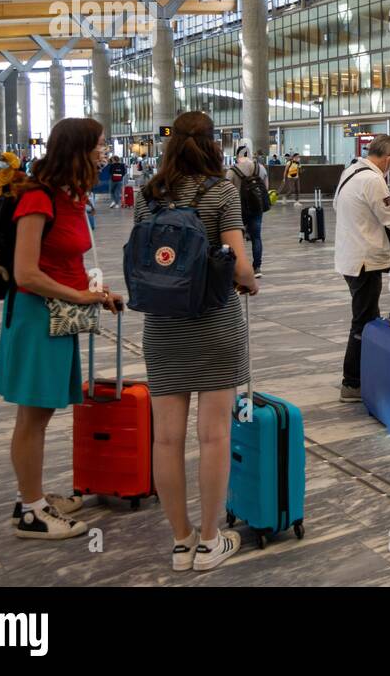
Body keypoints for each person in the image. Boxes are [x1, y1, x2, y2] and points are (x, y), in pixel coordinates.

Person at [134, 111, 258, 573]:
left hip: (162, 326)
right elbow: (239, 265)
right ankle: (210, 541)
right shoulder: (220, 191)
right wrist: (251, 282)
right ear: (212, 144)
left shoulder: (150, 195)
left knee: (165, 439)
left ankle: (181, 540)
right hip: (213, 323)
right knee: (214, 435)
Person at [0, 118, 122, 541]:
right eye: (99, 145)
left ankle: (33, 496)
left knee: (40, 414)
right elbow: (25, 273)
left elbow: (65, 262)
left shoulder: (73, 197)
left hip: (56, 313)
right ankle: (30, 511)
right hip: (35, 316)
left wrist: (95, 291)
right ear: (78, 149)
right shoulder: (38, 198)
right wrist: (80, 296)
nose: (105, 152)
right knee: (32, 416)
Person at [332, 134, 390, 402]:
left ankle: (365, 376)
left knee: (368, 315)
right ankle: (351, 383)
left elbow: (337, 207)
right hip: (365, 260)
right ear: (388, 159)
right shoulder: (374, 179)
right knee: (363, 320)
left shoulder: (350, 171)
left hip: (348, 257)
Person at [227, 144, 268, 279]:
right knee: (256, 237)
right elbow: (265, 188)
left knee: (237, 238)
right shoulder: (260, 168)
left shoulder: (232, 171)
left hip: (238, 209)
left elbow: (227, 191)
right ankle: (257, 267)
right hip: (256, 208)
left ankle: (238, 267)